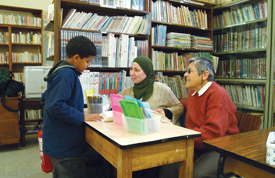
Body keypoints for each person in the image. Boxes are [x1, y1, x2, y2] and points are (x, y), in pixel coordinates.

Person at [159, 57, 239, 178]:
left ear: (204, 75)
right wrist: (167, 112)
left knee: (197, 175)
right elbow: (188, 105)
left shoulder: (218, 95)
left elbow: (214, 133)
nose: (185, 74)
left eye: (189, 71)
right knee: (169, 166)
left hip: (220, 147)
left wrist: (181, 134)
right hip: (199, 143)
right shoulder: (194, 92)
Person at [41, 36, 103, 178]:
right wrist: (82, 116)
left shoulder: (60, 70)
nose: (88, 65)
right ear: (76, 58)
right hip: (65, 147)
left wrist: (73, 110)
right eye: (87, 61)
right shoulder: (66, 74)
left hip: (58, 144)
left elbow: (45, 99)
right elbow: (55, 105)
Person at [118, 56, 184, 123]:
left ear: (147, 72)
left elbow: (179, 107)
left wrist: (166, 112)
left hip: (160, 130)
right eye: (131, 69)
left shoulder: (162, 89)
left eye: (136, 70)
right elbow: (111, 106)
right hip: (136, 129)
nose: (131, 73)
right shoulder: (126, 92)